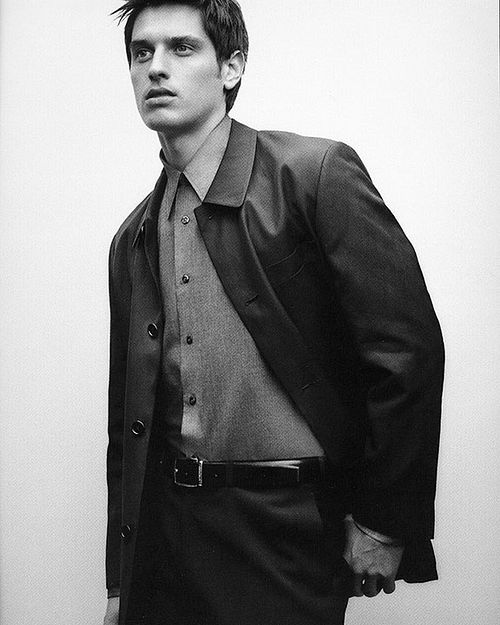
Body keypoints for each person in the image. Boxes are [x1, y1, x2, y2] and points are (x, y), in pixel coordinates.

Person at [103, 1, 444, 624]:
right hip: (170, 540)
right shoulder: (134, 237)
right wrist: (120, 585)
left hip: (288, 532)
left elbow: (406, 352)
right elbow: (126, 423)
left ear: (232, 67)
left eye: (182, 47)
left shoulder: (313, 175)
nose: (156, 68)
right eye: (141, 52)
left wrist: (384, 520)